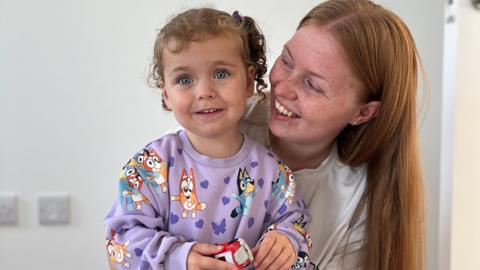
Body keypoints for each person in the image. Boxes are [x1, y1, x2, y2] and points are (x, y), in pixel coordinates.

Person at [104, 8, 311, 270]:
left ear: (248, 82)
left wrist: (287, 240)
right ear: (166, 94)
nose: (204, 91)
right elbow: (120, 242)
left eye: (221, 74)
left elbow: (297, 224)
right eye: (185, 79)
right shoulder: (150, 167)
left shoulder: (273, 173)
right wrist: (178, 258)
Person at [239, 0, 425, 269]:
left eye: (312, 85)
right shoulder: (220, 123)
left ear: (362, 113)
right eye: (287, 61)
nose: (283, 89)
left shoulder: (361, 206)